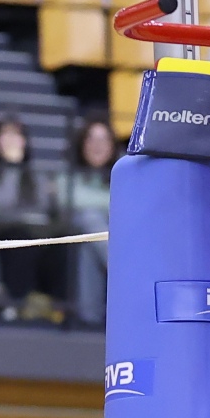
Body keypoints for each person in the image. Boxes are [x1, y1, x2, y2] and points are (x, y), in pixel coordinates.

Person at [0, 116, 57, 320]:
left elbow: (44, 207)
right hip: (1, 234)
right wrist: (13, 168)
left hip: (37, 234)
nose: (11, 141)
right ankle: (14, 306)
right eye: (6, 135)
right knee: (19, 238)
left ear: (25, 142)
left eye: (16, 135)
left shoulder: (38, 174)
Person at [59, 117, 115, 328]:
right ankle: (119, 266)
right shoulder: (68, 174)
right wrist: (111, 204)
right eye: (91, 139)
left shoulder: (123, 175)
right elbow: (68, 200)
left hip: (102, 240)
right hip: (71, 235)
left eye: (103, 139)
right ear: (82, 144)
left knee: (90, 246)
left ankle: (89, 318)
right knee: (90, 218)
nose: (97, 146)